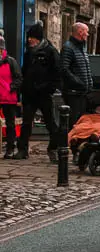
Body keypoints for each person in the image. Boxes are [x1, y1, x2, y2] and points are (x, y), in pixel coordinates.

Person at [18, 22, 61, 161]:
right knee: (26, 123)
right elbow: (24, 72)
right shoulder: (28, 52)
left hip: (44, 94)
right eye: (29, 37)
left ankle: (53, 149)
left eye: (32, 37)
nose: (29, 40)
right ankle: (22, 150)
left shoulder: (50, 52)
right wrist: (23, 88)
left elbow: (56, 73)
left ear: (38, 38)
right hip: (29, 94)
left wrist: (48, 88)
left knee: (50, 123)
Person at [60, 22, 93, 129]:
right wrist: (78, 82)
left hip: (82, 92)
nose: (87, 34)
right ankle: (68, 143)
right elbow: (64, 69)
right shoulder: (68, 47)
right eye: (86, 32)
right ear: (80, 32)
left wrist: (89, 83)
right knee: (72, 121)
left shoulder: (82, 47)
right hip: (73, 92)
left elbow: (85, 68)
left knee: (80, 120)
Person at [0, 36, 22, 159]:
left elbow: (19, 78)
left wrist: (10, 88)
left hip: (8, 97)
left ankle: (10, 148)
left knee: (10, 124)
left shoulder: (10, 62)